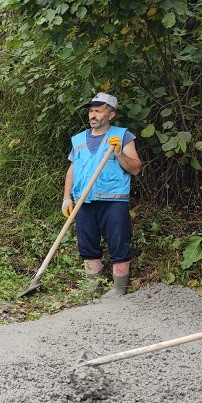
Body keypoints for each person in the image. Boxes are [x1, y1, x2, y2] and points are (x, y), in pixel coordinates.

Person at [62, 92, 143, 298]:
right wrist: (66, 197)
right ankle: (94, 289)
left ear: (111, 114)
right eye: (91, 110)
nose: (93, 114)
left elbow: (135, 168)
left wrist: (118, 152)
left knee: (118, 242)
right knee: (87, 245)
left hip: (113, 200)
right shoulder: (78, 139)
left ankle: (118, 289)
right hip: (83, 200)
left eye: (98, 110)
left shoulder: (123, 136)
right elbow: (72, 169)